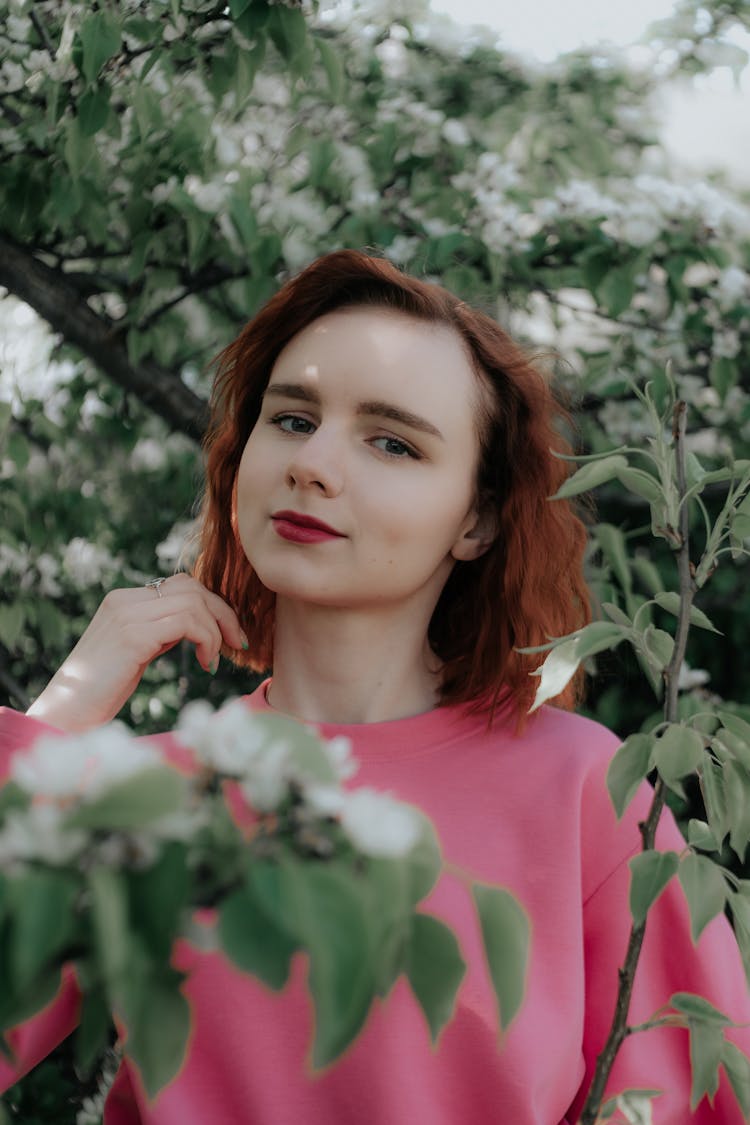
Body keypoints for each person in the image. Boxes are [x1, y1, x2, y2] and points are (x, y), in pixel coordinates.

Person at [1, 249, 748, 1123]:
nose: (314, 463)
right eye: (290, 418)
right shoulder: (151, 796)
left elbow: (696, 1102)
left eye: (391, 440)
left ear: (477, 517)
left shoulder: (582, 788)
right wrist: (61, 715)